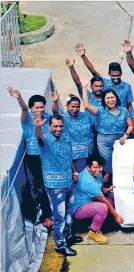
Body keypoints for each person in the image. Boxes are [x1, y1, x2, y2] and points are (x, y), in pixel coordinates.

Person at [8, 87, 53, 228]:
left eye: (42, 107)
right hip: (33, 158)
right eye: (37, 107)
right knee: (36, 186)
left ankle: (48, 213)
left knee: (48, 185)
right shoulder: (27, 119)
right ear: (32, 108)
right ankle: (38, 214)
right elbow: (24, 109)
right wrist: (19, 97)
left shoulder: (48, 119)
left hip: (47, 156)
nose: (40, 109)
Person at [34, 114, 78, 256]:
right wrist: (37, 127)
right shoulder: (45, 139)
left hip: (69, 181)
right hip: (54, 185)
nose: (58, 129)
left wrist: (75, 172)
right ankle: (60, 245)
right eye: (55, 126)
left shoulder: (65, 138)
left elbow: (69, 157)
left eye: (60, 126)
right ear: (49, 126)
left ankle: (68, 236)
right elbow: (39, 138)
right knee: (59, 216)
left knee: (70, 212)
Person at [80, 76, 133, 173]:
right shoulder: (100, 110)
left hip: (120, 141)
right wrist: (84, 87)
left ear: (116, 98)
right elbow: (86, 106)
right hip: (104, 143)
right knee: (108, 166)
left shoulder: (124, 110)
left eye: (112, 97)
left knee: (121, 164)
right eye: (107, 98)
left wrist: (125, 136)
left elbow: (130, 125)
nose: (110, 100)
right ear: (104, 100)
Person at [70, 156, 124, 245]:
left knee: (111, 198)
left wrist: (106, 190)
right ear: (88, 167)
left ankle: (99, 224)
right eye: (95, 167)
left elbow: (99, 187)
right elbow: (104, 200)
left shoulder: (96, 174)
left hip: (89, 202)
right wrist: (116, 216)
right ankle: (94, 232)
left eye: (99, 167)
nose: (98, 170)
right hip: (77, 209)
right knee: (103, 207)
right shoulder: (88, 181)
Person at [75, 42, 134, 112]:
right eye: (113, 75)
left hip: (122, 119)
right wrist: (83, 56)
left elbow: (129, 106)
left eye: (118, 75)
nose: (116, 78)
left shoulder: (127, 87)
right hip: (107, 118)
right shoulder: (104, 83)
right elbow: (93, 71)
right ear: (109, 74)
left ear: (121, 74)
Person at [52, 93, 96, 173]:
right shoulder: (64, 118)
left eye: (77, 107)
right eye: (72, 106)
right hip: (76, 155)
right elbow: (55, 113)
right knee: (81, 176)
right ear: (67, 106)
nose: (75, 109)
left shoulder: (85, 116)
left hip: (90, 152)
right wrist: (55, 102)